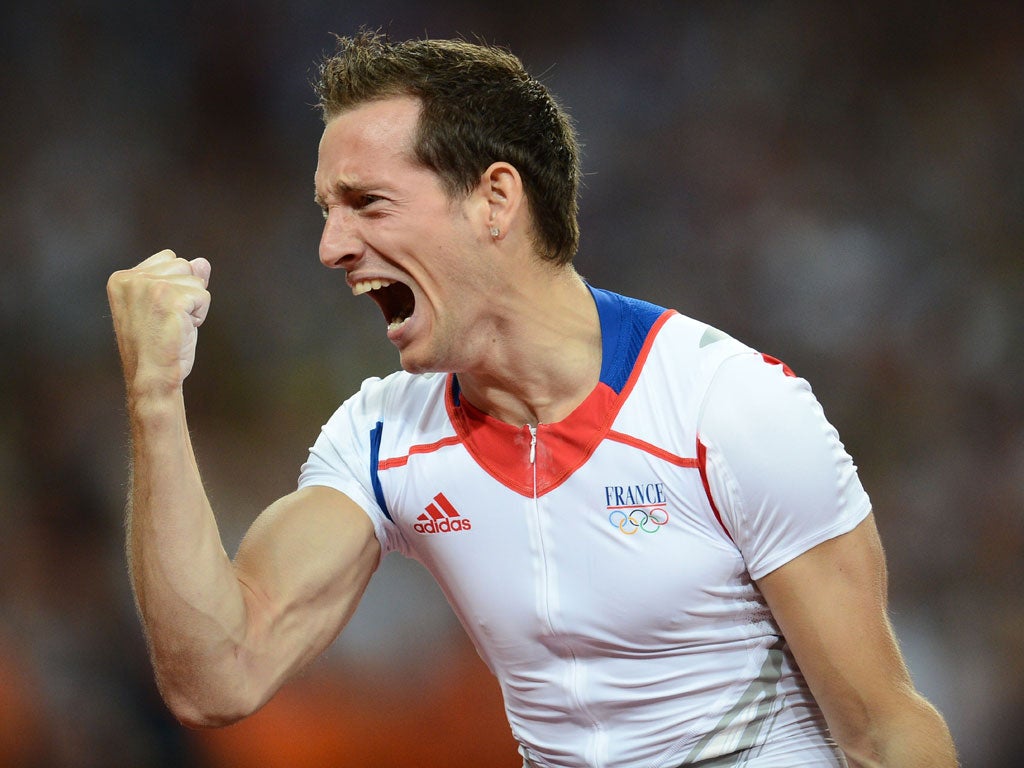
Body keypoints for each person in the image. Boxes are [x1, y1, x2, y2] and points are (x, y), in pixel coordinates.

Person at [106, 30, 958, 768]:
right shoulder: (381, 437)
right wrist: (154, 399)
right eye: (327, 211)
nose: (331, 246)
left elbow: (886, 735)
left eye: (366, 203)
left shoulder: (724, 407)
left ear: (495, 200)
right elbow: (216, 677)